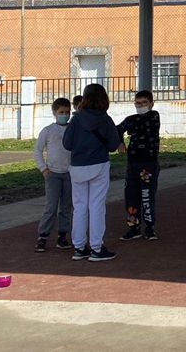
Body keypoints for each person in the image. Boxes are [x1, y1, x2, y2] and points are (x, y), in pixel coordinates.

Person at [62, 83, 122, 262]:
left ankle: (79, 248)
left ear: (85, 98)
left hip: (77, 166)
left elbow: (67, 144)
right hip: (99, 165)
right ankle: (96, 248)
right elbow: (113, 145)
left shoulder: (76, 119)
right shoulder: (105, 119)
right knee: (96, 206)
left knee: (79, 207)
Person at [118, 90, 161, 241]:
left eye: (144, 103)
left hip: (148, 164)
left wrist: (130, 127)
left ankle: (150, 227)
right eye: (138, 103)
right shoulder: (131, 119)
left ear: (151, 103)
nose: (141, 106)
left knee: (147, 196)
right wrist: (120, 143)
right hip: (133, 164)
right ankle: (133, 227)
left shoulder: (154, 116)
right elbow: (118, 129)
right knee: (131, 196)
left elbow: (143, 124)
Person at [33, 97, 73, 253]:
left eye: (67, 112)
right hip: (53, 174)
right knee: (51, 206)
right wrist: (43, 168)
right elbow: (37, 150)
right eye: (61, 112)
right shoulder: (48, 131)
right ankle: (42, 236)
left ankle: (62, 235)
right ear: (55, 113)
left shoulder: (73, 129)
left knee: (66, 206)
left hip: (69, 173)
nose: (65, 115)